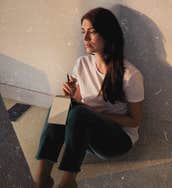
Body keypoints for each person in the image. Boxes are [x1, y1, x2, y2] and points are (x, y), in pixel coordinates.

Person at [34, 7, 144, 188]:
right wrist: (70, 95)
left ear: (108, 35)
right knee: (61, 103)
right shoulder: (82, 63)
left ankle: (68, 181)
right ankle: (43, 177)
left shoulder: (130, 75)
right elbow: (78, 102)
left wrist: (92, 114)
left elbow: (134, 121)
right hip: (85, 133)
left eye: (91, 32)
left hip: (117, 140)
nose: (85, 39)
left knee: (80, 114)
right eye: (83, 32)